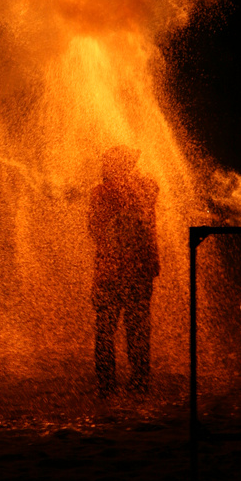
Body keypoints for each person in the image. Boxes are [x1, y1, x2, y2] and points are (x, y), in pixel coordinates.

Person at [88, 146, 160, 396]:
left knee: (105, 329)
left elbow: (94, 229)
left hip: (108, 274)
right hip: (139, 273)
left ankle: (106, 384)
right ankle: (140, 381)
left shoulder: (100, 193)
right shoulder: (146, 188)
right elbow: (153, 190)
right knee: (137, 328)